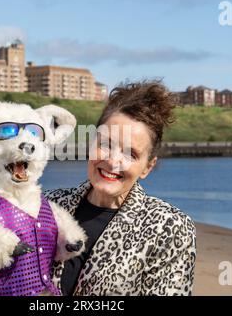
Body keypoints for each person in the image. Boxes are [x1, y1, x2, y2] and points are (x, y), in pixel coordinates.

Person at [45, 80, 196, 296]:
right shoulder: (47, 206)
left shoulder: (169, 228)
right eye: (105, 144)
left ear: (147, 167)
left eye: (130, 154)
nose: (113, 161)